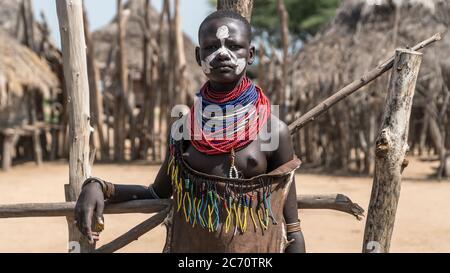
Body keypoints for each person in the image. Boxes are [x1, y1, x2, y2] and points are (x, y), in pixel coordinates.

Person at [75, 10, 305, 253]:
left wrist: (296, 239)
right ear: (198, 55)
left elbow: (293, 232)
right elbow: (157, 193)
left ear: (250, 55)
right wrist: (99, 186)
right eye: (211, 47)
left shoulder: (272, 130)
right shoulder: (184, 130)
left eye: (234, 46)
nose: (222, 54)